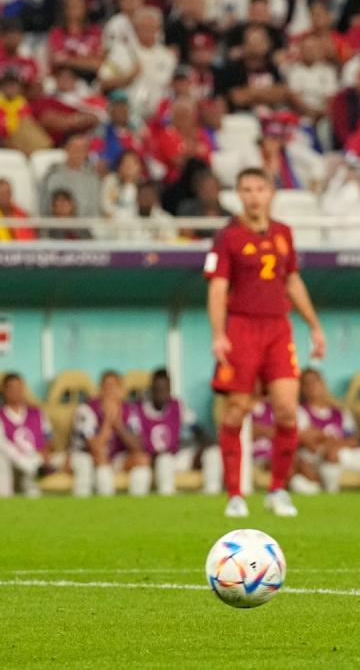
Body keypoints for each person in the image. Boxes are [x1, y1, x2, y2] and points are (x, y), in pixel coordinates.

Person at [204, 167, 325, 518]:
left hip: (278, 329)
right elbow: (217, 288)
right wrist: (218, 334)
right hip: (241, 328)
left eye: (260, 188)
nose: (254, 195)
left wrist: (314, 327)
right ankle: (235, 494)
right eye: (247, 189)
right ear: (238, 194)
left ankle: (276, 490)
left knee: (287, 410)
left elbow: (293, 282)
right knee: (237, 410)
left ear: (271, 192)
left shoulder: (284, 233)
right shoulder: (227, 237)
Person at [135, 368, 221, 496]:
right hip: (155, 460)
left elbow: (196, 428)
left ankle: (212, 494)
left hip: (176, 455)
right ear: (152, 389)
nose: (163, 394)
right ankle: (167, 497)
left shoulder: (177, 406)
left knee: (214, 452)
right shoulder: (140, 409)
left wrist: (209, 443)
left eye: (166, 390)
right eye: (159, 389)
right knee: (164, 459)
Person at [71, 370, 144, 497]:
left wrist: (118, 423)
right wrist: (108, 421)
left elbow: (138, 446)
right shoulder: (86, 409)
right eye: (106, 387)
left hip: (115, 457)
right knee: (100, 463)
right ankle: (104, 508)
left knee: (142, 461)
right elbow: (96, 448)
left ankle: (137, 507)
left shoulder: (129, 409)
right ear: (101, 390)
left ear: (121, 391)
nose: (110, 391)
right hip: (87, 456)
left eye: (114, 387)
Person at [0, 373, 53, 498]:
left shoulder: (37, 413)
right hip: (8, 460)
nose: (15, 391)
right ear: (4, 390)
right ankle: (4, 501)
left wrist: (45, 452)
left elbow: (48, 439)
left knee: (33, 464)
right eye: (11, 388)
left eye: (18, 387)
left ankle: (33, 501)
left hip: (34, 455)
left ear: (23, 389)